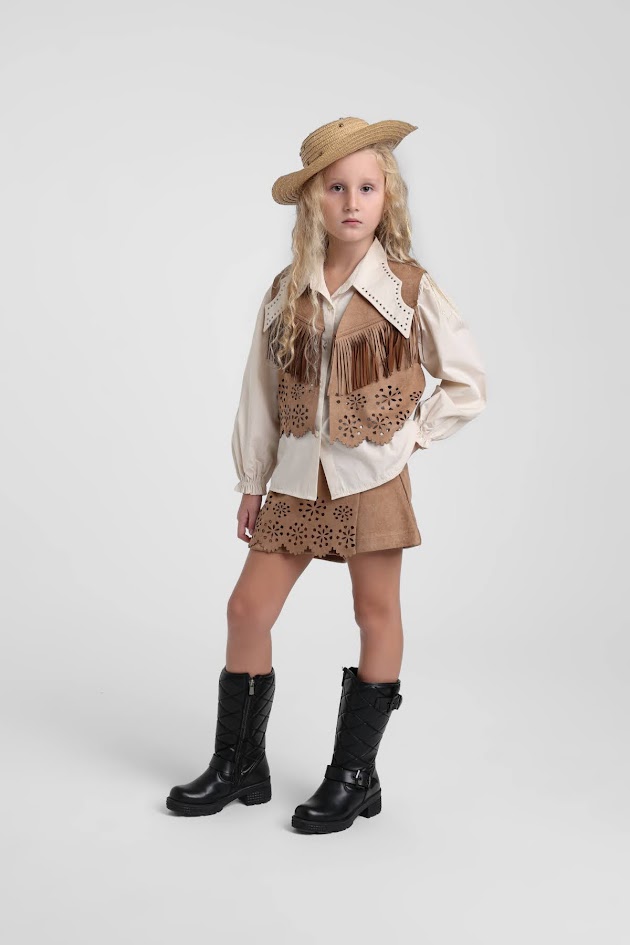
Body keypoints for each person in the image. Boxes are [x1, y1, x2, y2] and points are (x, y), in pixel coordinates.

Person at [166, 116, 487, 833]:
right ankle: (239, 763)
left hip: (371, 478)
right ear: (314, 199)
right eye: (336, 188)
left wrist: (410, 437)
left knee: (375, 614)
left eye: (366, 188)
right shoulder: (289, 290)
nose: (351, 201)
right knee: (247, 610)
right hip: (294, 478)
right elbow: (257, 391)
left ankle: (354, 776)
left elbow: (467, 381)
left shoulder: (407, 288)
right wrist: (253, 481)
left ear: (386, 196)